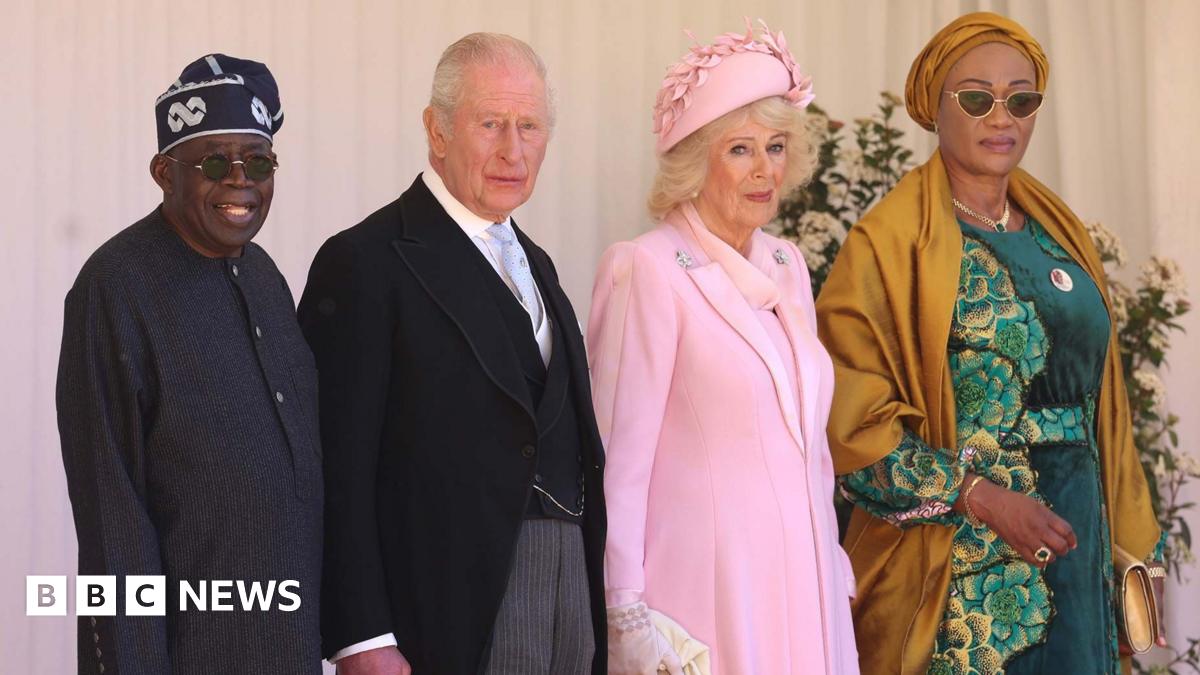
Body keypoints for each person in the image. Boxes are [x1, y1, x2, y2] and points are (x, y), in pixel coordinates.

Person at [817, 12, 1167, 674]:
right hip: (961, 569)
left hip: (1078, 546)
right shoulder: (887, 246)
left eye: (1021, 100)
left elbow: (1106, 406)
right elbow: (852, 428)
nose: (1001, 117)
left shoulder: (1060, 233)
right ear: (936, 106)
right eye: (977, 99)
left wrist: (1134, 550)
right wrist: (980, 495)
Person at [299, 33, 606, 675]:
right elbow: (334, 464)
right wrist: (360, 636)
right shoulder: (365, 261)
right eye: (491, 123)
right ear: (436, 131)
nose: (513, 150)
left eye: (530, 126)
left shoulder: (539, 266)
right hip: (444, 608)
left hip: (569, 592)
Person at [587, 20, 859, 675]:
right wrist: (625, 613)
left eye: (775, 146)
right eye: (740, 149)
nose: (765, 169)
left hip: (806, 589)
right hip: (706, 595)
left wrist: (832, 557)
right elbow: (617, 463)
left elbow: (812, 445)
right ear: (694, 161)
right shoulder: (647, 268)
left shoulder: (787, 264)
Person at [56, 54, 322, 674]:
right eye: (214, 164)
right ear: (163, 173)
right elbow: (111, 515)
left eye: (259, 162)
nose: (240, 181)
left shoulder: (264, 277)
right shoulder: (115, 287)